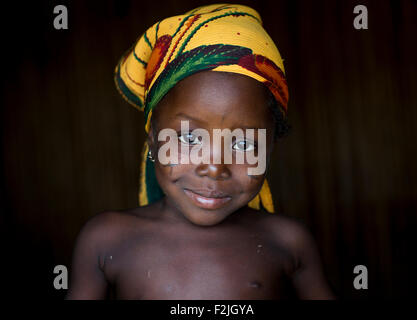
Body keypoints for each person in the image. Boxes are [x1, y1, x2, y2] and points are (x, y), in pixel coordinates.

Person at [66, 3, 336, 300]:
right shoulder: (106, 241)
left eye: (243, 144)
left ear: (270, 148)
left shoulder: (288, 242)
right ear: (154, 138)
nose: (214, 167)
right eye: (189, 138)